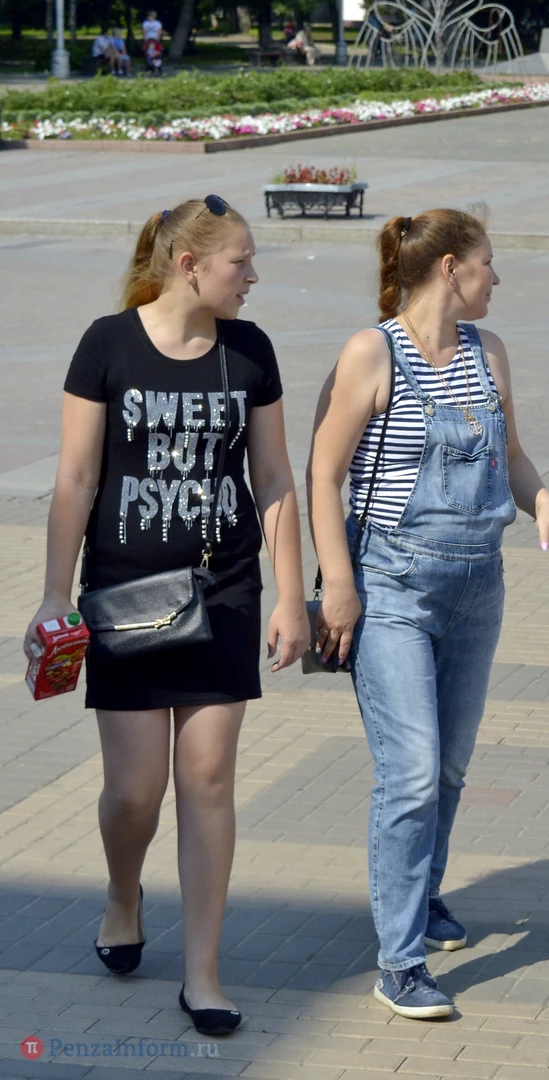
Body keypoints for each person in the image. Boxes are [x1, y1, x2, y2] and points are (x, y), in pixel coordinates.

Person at [24, 195, 309, 1035]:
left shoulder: (250, 351)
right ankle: (124, 893)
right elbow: (77, 479)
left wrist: (291, 593)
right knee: (135, 791)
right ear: (190, 266)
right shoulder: (106, 345)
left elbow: (273, 479)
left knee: (207, 779)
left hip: (225, 590)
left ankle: (204, 974)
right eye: (240, 262)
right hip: (127, 596)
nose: (252, 276)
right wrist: (54, 595)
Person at [307, 209, 549, 1019]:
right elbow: (323, 475)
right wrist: (338, 583)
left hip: (477, 585)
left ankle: (421, 895)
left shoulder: (490, 352)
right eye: (489, 263)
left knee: (449, 769)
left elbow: (511, 455)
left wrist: (542, 501)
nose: (498, 278)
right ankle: (400, 962)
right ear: (451, 268)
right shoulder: (371, 352)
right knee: (413, 772)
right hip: (390, 586)